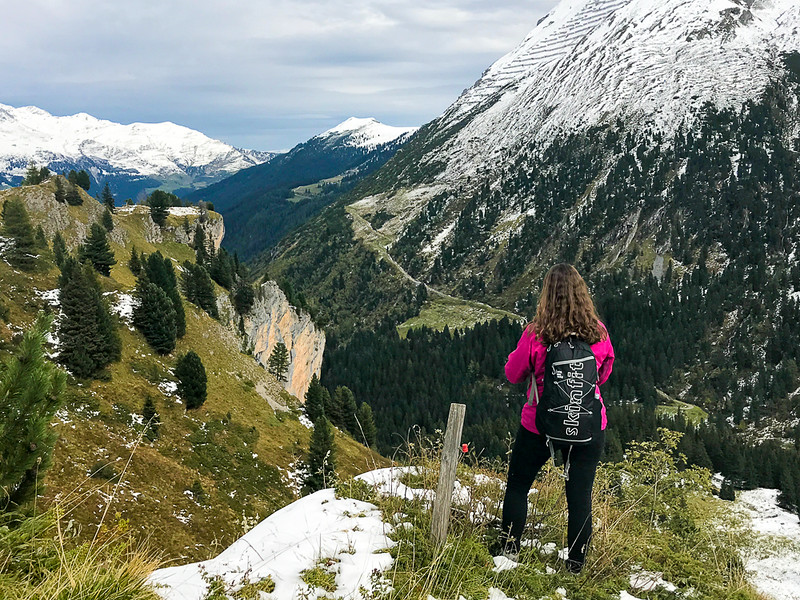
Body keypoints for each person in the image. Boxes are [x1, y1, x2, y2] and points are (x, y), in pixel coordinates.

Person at [499, 263, 614, 573]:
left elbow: (512, 373)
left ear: (547, 296)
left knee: (518, 486)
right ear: (582, 294)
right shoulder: (598, 332)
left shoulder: (537, 333)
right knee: (579, 498)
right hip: (588, 425)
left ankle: (509, 550)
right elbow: (603, 375)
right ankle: (575, 565)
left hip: (539, 425)